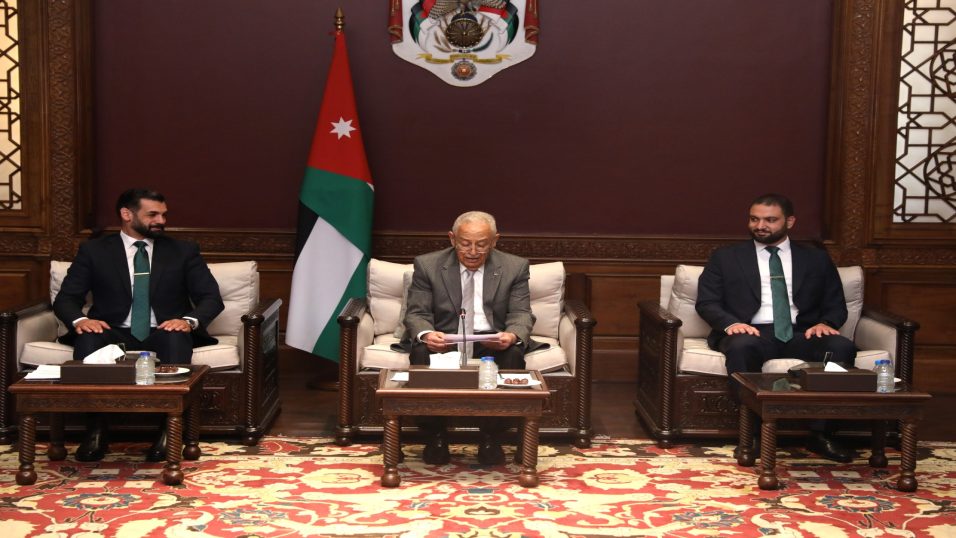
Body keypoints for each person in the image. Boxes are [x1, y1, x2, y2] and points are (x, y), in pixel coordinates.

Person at [53, 188, 224, 462]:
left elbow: (211, 298)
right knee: (88, 339)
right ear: (126, 214)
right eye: (152, 214)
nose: (161, 221)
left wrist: (188, 321)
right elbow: (66, 299)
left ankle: (169, 431)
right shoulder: (94, 251)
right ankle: (96, 429)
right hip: (111, 330)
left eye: (164, 215)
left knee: (175, 338)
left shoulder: (183, 251)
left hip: (163, 329)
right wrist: (81, 320)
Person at [695, 193, 857, 463]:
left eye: (770, 220)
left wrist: (826, 323)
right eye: (754, 219)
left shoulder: (816, 259)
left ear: (789, 222)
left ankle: (821, 434)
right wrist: (732, 324)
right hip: (751, 331)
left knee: (841, 347)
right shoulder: (726, 257)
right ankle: (752, 435)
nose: (760, 226)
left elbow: (836, 304)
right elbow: (707, 302)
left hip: (802, 332)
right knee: (742, 347)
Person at [401, 210, 540, 465]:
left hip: (490, 340)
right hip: (445, 337)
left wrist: (511, 335)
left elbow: (521, 313)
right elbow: (417, 313)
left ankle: (491, 438)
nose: (473, 251)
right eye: (465, 244)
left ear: (495, 241)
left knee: (513, 353)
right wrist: (427, 334)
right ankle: (435, 437)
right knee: (420, 352)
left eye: (481, 244)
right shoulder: (427, 265)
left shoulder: (514, 266)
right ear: (452, 239)